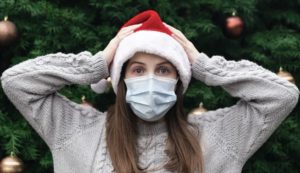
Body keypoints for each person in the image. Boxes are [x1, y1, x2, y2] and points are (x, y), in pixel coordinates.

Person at [1, 10, 299, 173]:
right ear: (120, 79)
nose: (152, 80)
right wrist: (98, 63)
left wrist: (203, 66)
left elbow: (282, 95)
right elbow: (16, 82)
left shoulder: (217, 136)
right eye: (138, 70)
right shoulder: (76, 130)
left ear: (179, 81)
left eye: (164, 70)